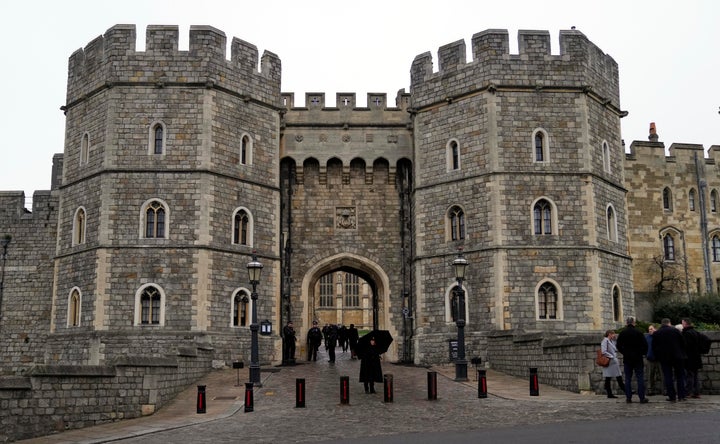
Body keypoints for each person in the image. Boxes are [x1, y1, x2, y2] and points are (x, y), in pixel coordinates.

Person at [652, 318, 687, 402]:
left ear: (662, 324)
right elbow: (683, 343)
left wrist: (658, 357)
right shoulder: (675, 331)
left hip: (664, 358)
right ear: (669, 323)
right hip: (677, 357)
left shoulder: (657, 333)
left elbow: (654, 347)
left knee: (668, 377)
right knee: (680, 376)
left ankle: (672, 396)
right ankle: (681, 396)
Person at [616, 317, 648, 403]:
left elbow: (618, 345)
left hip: (627, 358)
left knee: (627, 378)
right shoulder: (639, 332)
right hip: (638, 358)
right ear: (634, 323)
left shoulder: (622, 333)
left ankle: (628, 397)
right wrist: (641, 353)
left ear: (626, 323)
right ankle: (642, 397)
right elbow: (645, 345)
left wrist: (624, 352)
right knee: (640, 378)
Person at [601, 329, 626, 398]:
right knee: (616, 376)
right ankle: (626, 390)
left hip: (613, 362)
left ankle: (610, 393)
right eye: (613, 334)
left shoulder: (611, 341)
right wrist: (611, 356)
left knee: (610, 377)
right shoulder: (605, 341)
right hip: (609, 361)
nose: (614, 335)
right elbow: (603, 351)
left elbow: (615, 347)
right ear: (609, 334)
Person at [681, 318, 702, 398]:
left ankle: (688, 392)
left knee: (689, 375)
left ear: (686, 323)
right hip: (696, 357)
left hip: (689, 358)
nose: (682, 324)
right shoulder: (695, 332)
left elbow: (686, 346)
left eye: (682, 323)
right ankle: (696, 392)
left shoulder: (686, 333)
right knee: (695, 375)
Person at [645, 324, 663, 396]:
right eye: (649, 329)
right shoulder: (647, 337)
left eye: (651, 329)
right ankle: (650, 390)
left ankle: (664, 390)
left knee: (662, 375)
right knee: (650, 375)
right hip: (650, 358)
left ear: (656, 329)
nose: (650, 330)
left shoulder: (660, 337)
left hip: (659, 359)